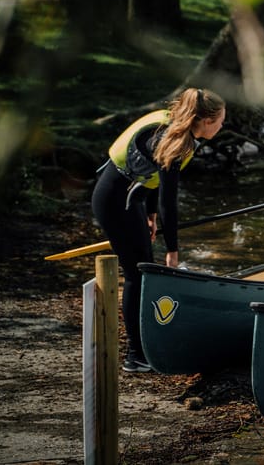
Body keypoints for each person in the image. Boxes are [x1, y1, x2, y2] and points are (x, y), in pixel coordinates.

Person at [91, 88, 226, 373]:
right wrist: (173, 251)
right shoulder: (176, 142)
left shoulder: (174, 129)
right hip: (115, 201)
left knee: (141, 270)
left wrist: (150, 216)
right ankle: (135, 355)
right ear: (204, 120)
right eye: (220, 121)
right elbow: (169, 202)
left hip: (131, 198)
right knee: (137, 275)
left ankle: (142, 346)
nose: (222, 126)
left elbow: (150, 176)